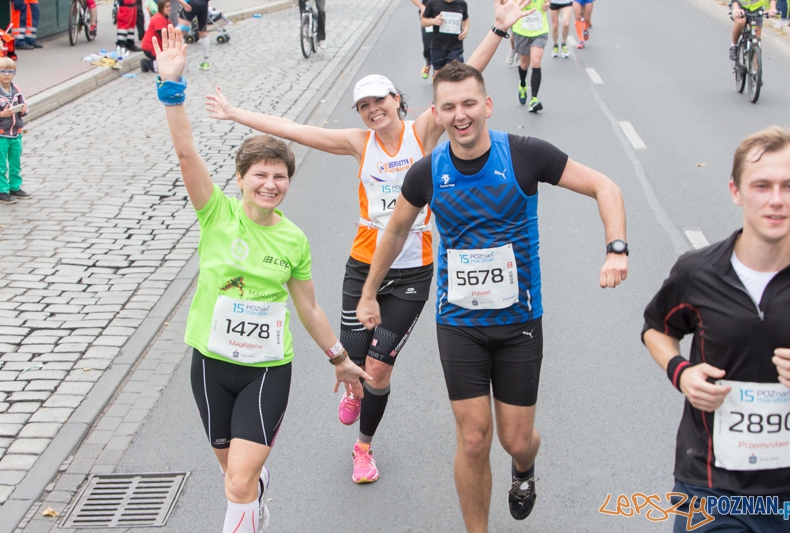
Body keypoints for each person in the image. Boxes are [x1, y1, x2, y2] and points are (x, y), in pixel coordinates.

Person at [206, 0, 533, 486]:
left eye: (380, 101)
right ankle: (353, 382)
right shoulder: (358, 143)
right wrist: (236, 114)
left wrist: (499, 32)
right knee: (353, 359)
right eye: (364, 106)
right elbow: (298, 130)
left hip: (414, 270)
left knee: (378, 369)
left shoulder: (422, 131)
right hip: (363, 266)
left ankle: (364, 447)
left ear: (397, 100)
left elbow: (464, 83)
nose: (374, 110)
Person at [356, 61, 628, 532]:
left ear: (487, 105)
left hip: (519, 322)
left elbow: (605, 186)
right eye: (449, 107)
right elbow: (396, 230)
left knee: (516, 441)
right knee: (474, 437)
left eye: (468, 104)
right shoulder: (426, 171)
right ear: (435, 115)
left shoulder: (524, 155)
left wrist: (616, 249)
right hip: (458, 322)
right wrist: (369, 293)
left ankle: (524, 469)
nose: (460, 115)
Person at [153, 25, 370, 532]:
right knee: (236, 477)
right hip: (210, 363)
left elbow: (309, 307)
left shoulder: (293, 240)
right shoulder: (216, 214)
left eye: (280, 176)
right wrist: (172, 89)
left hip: (267, 369)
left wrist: (339, 358)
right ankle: (255, 495)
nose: (270, 184)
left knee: (236, 485)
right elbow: (187, 154)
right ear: (241, 179)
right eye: (261, 175)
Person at [642, 125, 790, 532]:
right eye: (762, 186)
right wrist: (682, 372)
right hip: (711, 487)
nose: (776, 201)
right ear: (736, 191)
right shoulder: (698, 272)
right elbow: (656, 328)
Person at [0, 58, 30, 205]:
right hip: (1, 134)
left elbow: (25, 106)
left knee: (15, 163)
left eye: (10, 72)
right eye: (3, 71)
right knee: (1, 165)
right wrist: (2, 115)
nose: (6, 74)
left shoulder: (16, 90)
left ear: (14, 74)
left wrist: (23, 110)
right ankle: (2, 190)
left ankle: (15, 187)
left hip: (15, 133)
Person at [513, 0, 549, 113]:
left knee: (536, 62)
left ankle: (534, 99)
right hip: (521, 30)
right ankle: (522, 84)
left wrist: (547, 4)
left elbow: (547, 2)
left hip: (539, 30)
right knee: (524, 64)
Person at [421, 0, 469, 75]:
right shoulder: (433, 3)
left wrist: (466, 29)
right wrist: (434, 21)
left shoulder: (462, 4)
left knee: (452, 74)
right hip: (438, 47)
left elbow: (466, 18)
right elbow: (423, 22)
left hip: (455, 47)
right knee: (439, 77)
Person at [176, 0, 211, 69]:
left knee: (179, 33)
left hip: (190, 3)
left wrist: (182, 2)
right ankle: (206, 61)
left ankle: (177, 62)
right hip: (203, 4)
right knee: (203, 32)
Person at [141, 0, 171, 73]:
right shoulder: (158, 18)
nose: (169, 8)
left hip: (156, 47)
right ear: (161, 8)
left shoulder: (164, 17)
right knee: (163, 66)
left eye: (170, 6)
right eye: (167, 7)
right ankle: (147, 63)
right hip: (150, 47)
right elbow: (163, 35)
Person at [409, 0, 433, 79]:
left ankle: (437, 72)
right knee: (428, 46)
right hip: (428, 14)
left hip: (444, 14)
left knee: (442, 46)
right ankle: (428, 62)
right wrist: (422, 7)